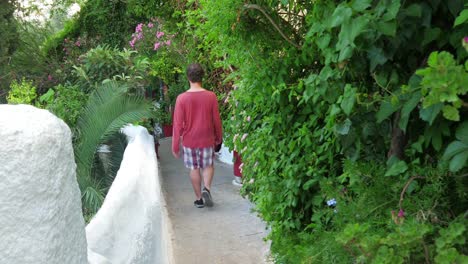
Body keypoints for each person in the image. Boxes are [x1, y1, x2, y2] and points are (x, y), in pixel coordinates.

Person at [172, 63, 223, 208]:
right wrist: (218, 137)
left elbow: (177, 124)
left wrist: (175, 145)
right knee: (208, 165)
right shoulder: (211, 96)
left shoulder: (181, 98)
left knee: (194, 168)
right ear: (202, 76)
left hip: (190, 140)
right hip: (207, 138)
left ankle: (199, 199)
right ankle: (206, 188)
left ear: (188, 77)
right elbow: (216, 120)